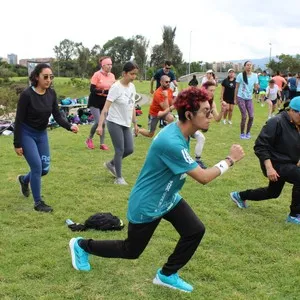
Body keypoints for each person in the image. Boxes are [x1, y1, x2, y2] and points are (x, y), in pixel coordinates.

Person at [69, 87, 245, 293]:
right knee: (131, 250)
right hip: (148, 203)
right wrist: (229, 159)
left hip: (168, 196)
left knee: (195, 230)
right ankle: (81, 245)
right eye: (206, 112)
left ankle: (167, 274)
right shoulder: (172, 141)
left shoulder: (182, 129)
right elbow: (203, 177)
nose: (210, 116)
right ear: (189, 115)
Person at [14, 63, 79, 212]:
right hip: (26, 133)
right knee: (36, 167)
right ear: (37, 77)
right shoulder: (27, 95)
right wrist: (17, 143)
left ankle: (24, 180)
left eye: (51, 77)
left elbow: (57, 115)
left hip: (41, 134)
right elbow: (18, 120)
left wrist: (70, 126)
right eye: (45, 77)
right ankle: (38, 203)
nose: (48, 80)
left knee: (44, 169)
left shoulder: (51, 94)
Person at [230, 97, 300, 225]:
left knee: (272, 193)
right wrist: (269, 167)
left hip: (288, 163)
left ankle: (239, 195)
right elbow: (260, 146)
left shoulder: (296, 124)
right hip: (274, 163)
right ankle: (295, 214)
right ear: (292, 111)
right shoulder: (276, 122)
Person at [96, 61, 139, 185]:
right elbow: (105, 108)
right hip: (114, 122)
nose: (133, 77)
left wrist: (135, 123)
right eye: (131, 74)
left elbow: (132, 106)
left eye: (135, 74)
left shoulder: (132, 87)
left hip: (126, 123)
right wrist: (100, 125)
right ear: (124, 73)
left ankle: (111, 164)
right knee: (120, 150)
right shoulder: (116, 87)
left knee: (129, 149)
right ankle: (119, 178)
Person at [194, 81, 227, 168]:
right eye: (211, 90)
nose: (212, 93)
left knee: (201, 138)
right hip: (188, 124)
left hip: (194, 127)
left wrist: (222, 111)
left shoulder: (212, 103)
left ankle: (197, 161)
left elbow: (217, 119)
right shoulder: (197, 100)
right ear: (204, 90)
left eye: (214, 90)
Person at [85, 56, 115, 150]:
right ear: (103, 65)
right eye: (108, 64)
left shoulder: (112, 76)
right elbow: (92, 89)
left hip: (105, 101)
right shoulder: (97, 74)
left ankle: (102, 144)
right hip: (95, 100)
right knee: (99, 122)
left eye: (111, 64)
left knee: (103, 123)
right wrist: (103, 91)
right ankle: (89, 139)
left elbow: (113, 88)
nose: (110, 66)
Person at [234, 61, 259, 139]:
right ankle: (242, 133)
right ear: (245, 66)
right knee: (244, 116)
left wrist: (257, 87)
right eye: (247, 65)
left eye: (250, 65)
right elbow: (237, 87)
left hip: (249, 98)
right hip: (241, 97)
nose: (249, 66)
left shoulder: (255, 76)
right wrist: (235, 99)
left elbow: (255, 87)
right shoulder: (240, 75)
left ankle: (248, 133)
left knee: (251, 116)